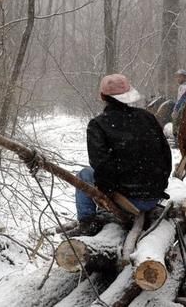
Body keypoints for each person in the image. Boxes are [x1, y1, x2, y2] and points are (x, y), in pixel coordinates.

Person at [70, 74, 172, 236]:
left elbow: (101, 167)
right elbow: (166, 156)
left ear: (103, 96)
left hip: (127, 201)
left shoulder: (98, 125)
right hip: (154, 196)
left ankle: (87, 223)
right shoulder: (147, 117)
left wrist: (107, 193)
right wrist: (158, 184)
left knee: (84, 175)